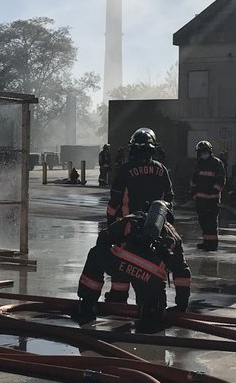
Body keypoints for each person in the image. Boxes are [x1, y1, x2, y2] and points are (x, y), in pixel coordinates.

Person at [75, 200, 191, 333]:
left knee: (96, 254)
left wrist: (117, 262)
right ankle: (150, 312)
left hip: (120, 264)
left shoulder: (133, 218)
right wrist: (181, 304)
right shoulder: (173, 236)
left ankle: (88, 304)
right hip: (149, 276)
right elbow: (182, 273)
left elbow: (104, 237)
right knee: (153, 312)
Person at [105, 127, 174, 225]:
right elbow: (169, 198)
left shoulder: (125, 170)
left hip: (128, 225)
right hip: (156, 225)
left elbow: (115, 198)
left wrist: (110, 220)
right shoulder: (161, 169)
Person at [189, 140, 226, 250]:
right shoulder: (199, 163)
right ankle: (206, 242)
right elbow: (193, 180)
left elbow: (221, 180)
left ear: (209, 151)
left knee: (211, 223)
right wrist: (193, 193)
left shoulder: (217, 163)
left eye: (204, 151)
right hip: (200, 200)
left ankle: (212, 245)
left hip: (212, 201)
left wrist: (213, 192)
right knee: (203, 222)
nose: (202, 154)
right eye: (201, 152)